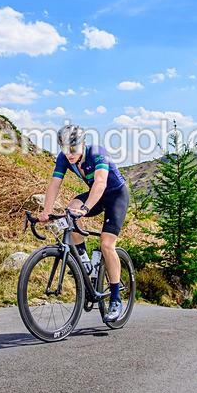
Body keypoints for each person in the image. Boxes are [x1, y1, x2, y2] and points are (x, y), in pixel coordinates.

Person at [38, 125, 130, 322]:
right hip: (95, 196)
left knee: (106, 244)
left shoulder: (97, 152)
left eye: (73, 148)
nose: (69, 153)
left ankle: (115, 299)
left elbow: (100, 183)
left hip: (115, 195)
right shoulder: (64, 158)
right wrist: (46, 212)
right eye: (65, 149)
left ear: (83, 144)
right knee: (70, 211)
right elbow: (55, 183)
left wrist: (86, 209)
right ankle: (84, 260)